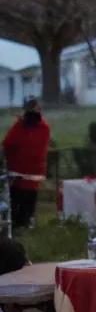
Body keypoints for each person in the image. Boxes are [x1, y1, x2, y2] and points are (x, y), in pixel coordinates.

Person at [2, 99, 51, 231]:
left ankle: (25, 221)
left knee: (28, 198)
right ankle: (18, 223)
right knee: (17, 198)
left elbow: (40, 146)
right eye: (36, 109)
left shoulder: (42, 127)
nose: (38, 112)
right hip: (18, 170)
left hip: (31, 171)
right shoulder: (21, 126)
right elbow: (8, 144)